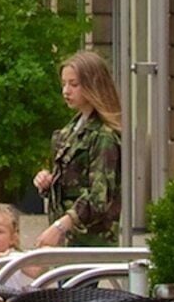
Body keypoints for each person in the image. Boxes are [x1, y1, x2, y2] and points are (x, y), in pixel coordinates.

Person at [33, 49, 127, 243]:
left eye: (74, 84)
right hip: (67, 242)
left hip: (92, 242)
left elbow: (99, 198)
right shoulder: (69, 132)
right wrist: (48, 182)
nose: (66, 91)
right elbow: (71, 182)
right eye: (64, 84)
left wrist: (61, 226)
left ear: (93, 85)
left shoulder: (104, 136)